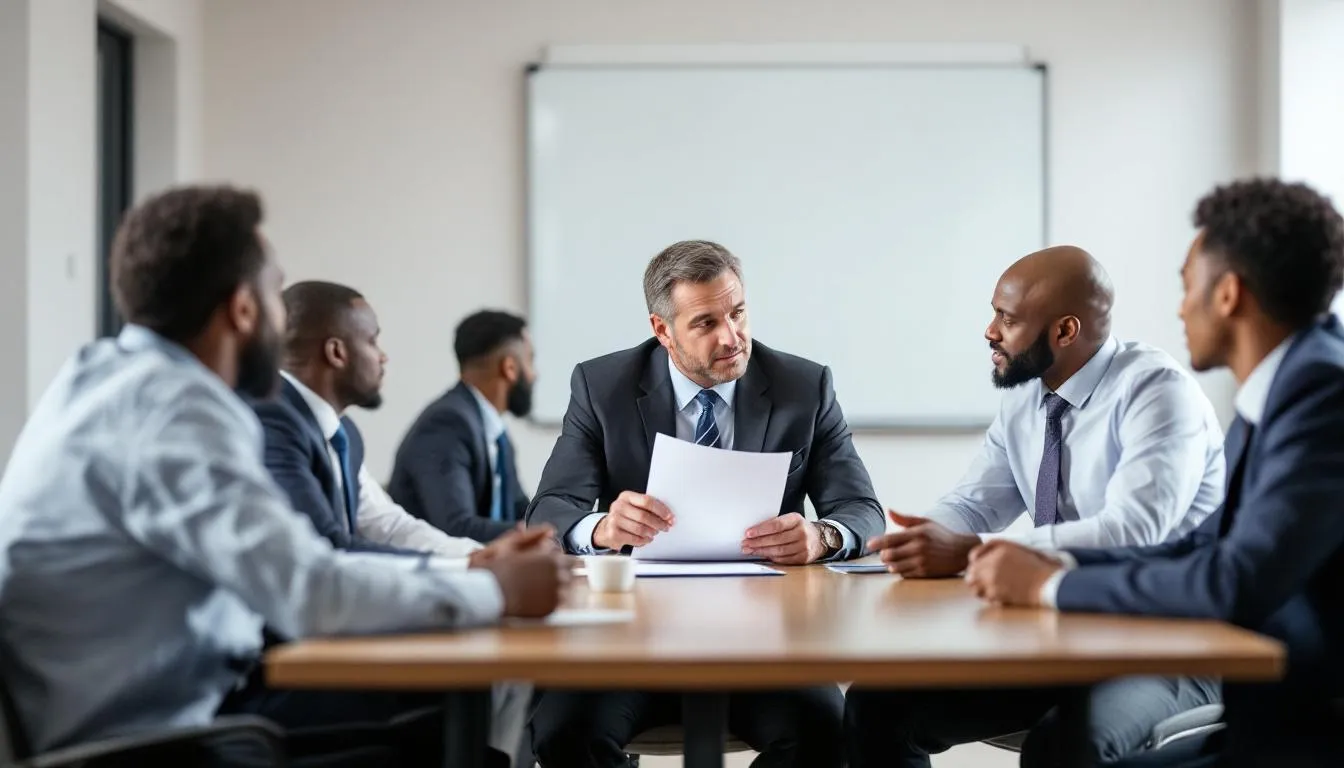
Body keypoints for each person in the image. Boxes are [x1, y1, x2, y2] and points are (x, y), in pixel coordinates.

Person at [0, 185, 569, 768]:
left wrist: (475, 575)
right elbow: (309, 590)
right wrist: (496, 589)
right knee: (452, 726)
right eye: (276, 296)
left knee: (451, 706)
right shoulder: (174, 410)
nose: (284, 321)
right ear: (243, 310)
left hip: (148, 708)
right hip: (158, 738)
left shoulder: (105, 378)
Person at [964, 179, 1344, 767]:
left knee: (1061, 753)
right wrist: (1056, 562)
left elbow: (1233, 580)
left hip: (1303, 730)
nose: (1179, 307)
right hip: (1270, 709)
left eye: (1187, 286)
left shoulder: (1321, 396)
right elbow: (1202, 545)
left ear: (1228, 295)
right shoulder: (1286, 387)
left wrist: (1048, 584)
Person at [846, 246, 1227, 766]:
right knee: (879, 704)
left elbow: (1135, 531)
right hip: (1060, 633)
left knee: (1064, 745)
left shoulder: (1157, 391)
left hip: (1168, 643)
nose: (990, 331)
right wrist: (918, 540)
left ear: (1065, 332)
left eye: (1008, 319)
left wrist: (969, 552)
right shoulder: (1027, 395)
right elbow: (974, 503)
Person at [525, 239, 884, 768]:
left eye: (738, 313)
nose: (732, 337)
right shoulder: (602, 387)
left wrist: (821, 535)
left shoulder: (803, 386)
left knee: (828, 733)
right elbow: (549, 510)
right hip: (629, 643)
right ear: (662, 330)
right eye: (706, 323)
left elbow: (861, 509)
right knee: (561, 733)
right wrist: (600, 528)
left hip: (763, 644)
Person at [249, 280, 551, 763]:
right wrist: (478, 574)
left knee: (493, 683)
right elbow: (327, 547)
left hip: (331, 632)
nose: (384, 357)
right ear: (336, 352)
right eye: (373, 341)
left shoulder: (339, 429)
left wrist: (476, 557)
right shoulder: (272, 421)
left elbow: (386, 522)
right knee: (472, 690)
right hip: (281, 664)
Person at [388, 310, 535, 543]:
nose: (535, 374)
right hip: (435, 573)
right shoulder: (447, 423)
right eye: (530, 360)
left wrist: (566, 527)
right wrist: (533, 534)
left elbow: (521, 510)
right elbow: (455, 527)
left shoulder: (496, 433)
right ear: (510, 368)